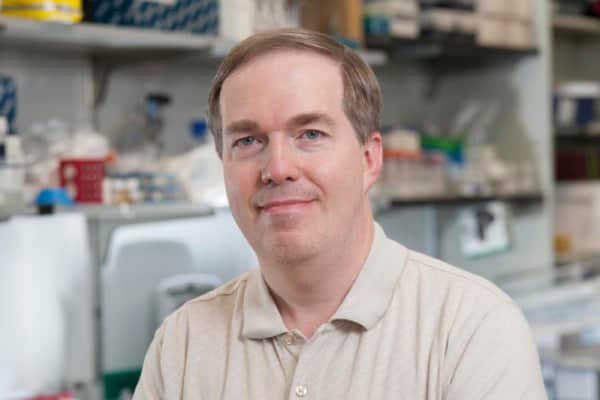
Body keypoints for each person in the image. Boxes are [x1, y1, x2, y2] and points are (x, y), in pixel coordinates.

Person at [133, 28, 547, 399]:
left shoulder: (472, 329)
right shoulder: (182, 343)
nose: (278, 168)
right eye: (247, 141)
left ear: (369, 160)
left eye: (310, 134)